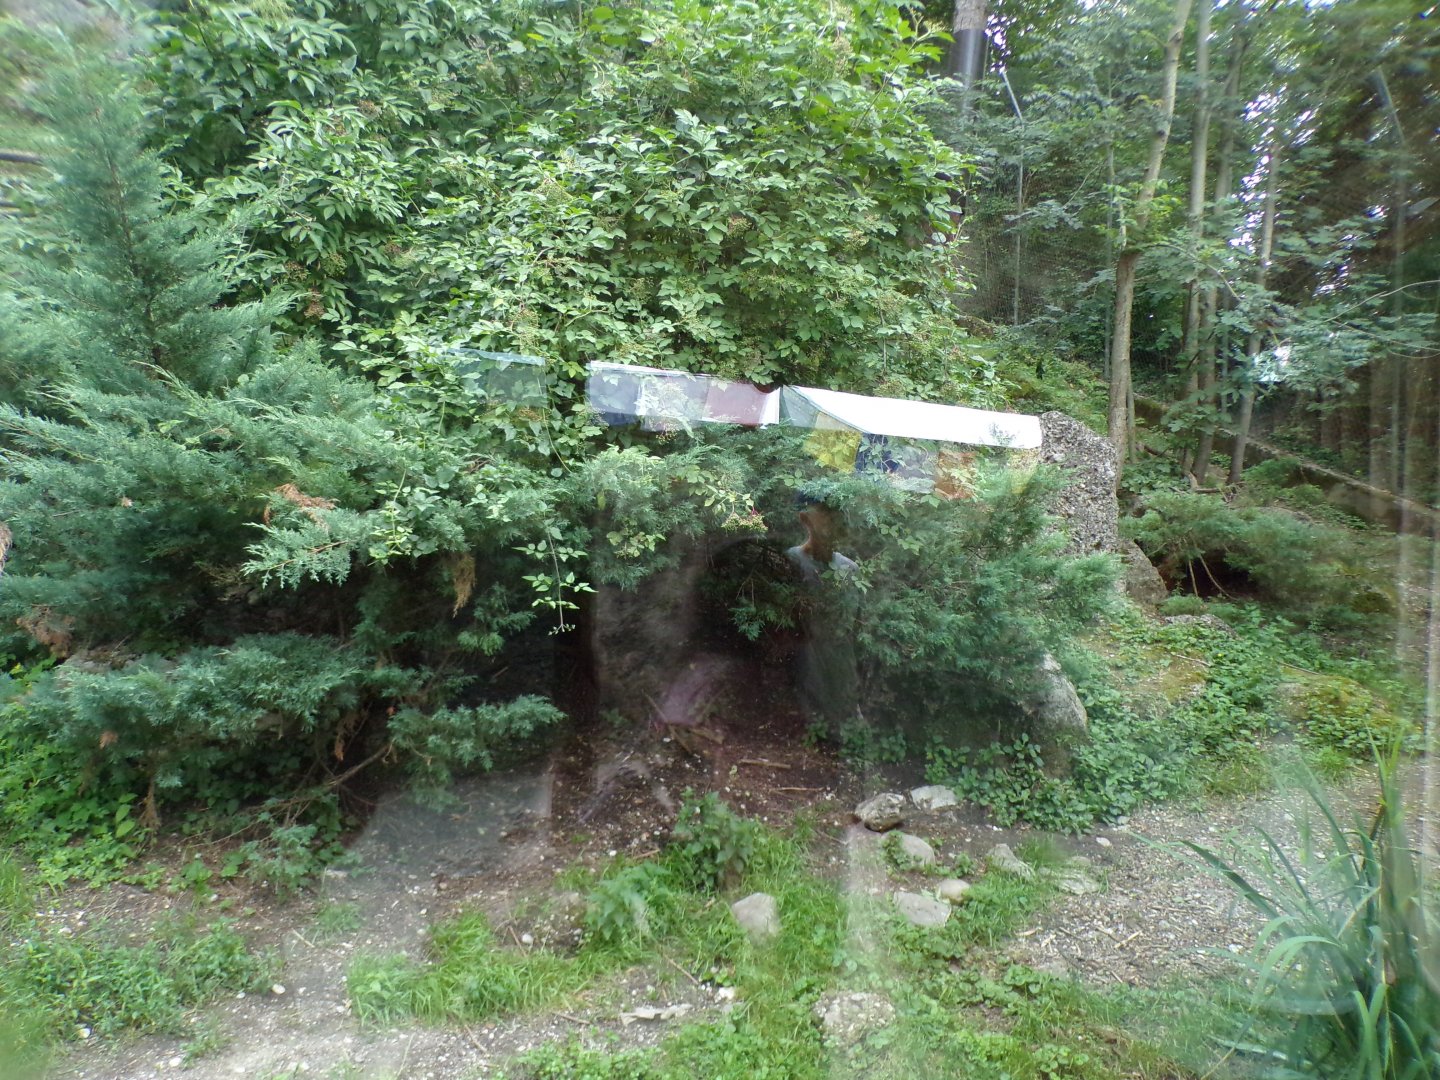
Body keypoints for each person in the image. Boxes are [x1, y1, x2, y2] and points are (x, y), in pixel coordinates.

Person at [786, 496, 861, 738]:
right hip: (803, 666)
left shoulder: (850, 569)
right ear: (805, 519)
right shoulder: (791, 561)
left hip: (839, 666)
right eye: (823, 514)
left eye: (834, 515)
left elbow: (854, 625)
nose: (830, 521)